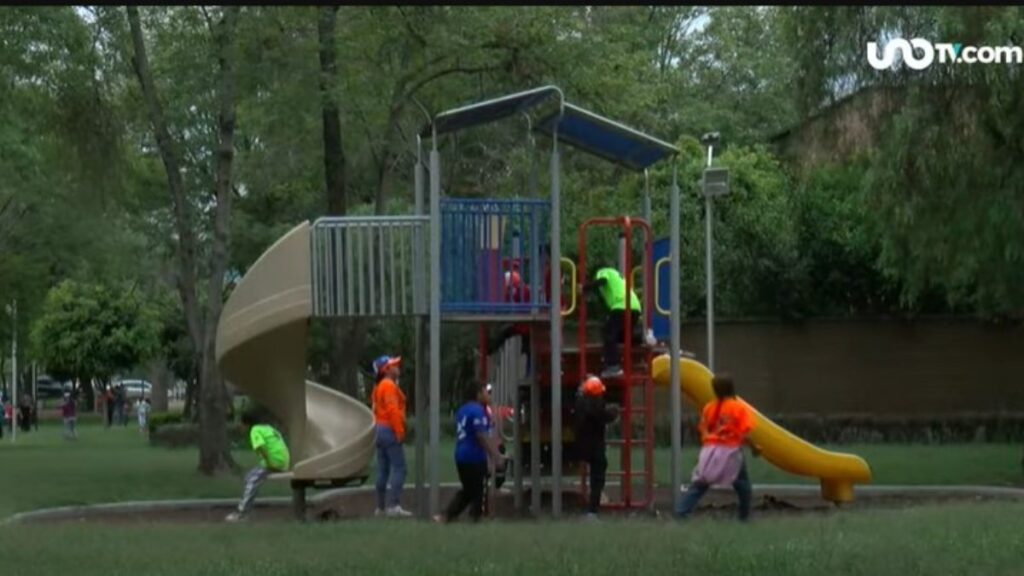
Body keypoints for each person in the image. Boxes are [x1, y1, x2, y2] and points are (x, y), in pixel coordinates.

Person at [675, 373, 757, 522]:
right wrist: (754, 447)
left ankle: (681, 512)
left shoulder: (709, 407)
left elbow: (703, 428)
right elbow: (743, 433)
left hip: (709, 450)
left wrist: (709, 438)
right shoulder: (739, 408)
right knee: (743, 485)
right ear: (732, 388)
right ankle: (744, 518)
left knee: (701, 483)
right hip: (730, 451)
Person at [435, 382, 505, 524]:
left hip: (460, 454)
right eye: (486, 392)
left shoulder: (463, 410)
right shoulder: (477, 411)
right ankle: (474, 518)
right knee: (477, 490)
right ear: (478, 394)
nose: (488, 395)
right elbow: (481, 436)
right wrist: (495, 455)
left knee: (469, 490)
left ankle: (447, 516)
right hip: (473, 456)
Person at [579, 264, 652, 379]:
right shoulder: (617, 276)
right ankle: (641, 338)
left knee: (608, 333)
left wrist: (584, 288)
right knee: (621, 336)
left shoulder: (603, 271)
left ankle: (613, 367)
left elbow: (602, 281)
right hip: (635, 308)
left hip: (622, 306)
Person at [226, 411, 291, 522]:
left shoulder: (255, 430)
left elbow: (260, 446)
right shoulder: (267, 428)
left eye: (241, 424)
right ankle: (248, 506)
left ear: (246, 424)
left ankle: (242, 513)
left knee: (252, 481)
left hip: (273, 463)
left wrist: (268, 461)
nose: (240, 427)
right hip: (283, 461)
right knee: (248, 477)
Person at [371, 355, 412, 518]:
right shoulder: (388, 386)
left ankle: (380, 508)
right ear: (386, 370)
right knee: (400, 468)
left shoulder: (378, 386)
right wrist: (400, 431)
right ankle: (394, 505)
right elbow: (393, 410)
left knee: (383, 470)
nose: (398, 366)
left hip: (379, 429)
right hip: (389, 429)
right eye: (394, 365)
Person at [573, 375, 620, 519]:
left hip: (581, 445)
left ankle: (592, 508)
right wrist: (614, 409)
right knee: (598, 477)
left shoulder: (581, 402)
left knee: (595, 474)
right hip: (595, 447)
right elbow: (608, 415)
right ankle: (593, 510)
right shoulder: (597, 406)